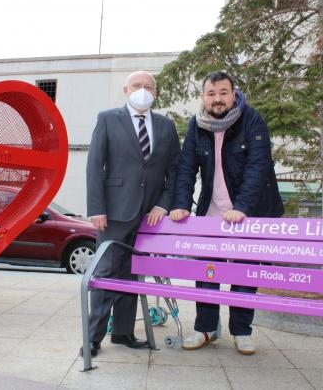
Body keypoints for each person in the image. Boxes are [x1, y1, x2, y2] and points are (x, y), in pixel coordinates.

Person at [169, 71, 284, 355]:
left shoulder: (251, 119)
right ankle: (206, 328)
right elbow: (186, 167)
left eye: (223, 92)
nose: (217, 99)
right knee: (207, 271)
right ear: (203, 97)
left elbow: (258, 166)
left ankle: (242, 331)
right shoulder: (197, 125)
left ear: (233, 94)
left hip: (250, 211)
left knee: (245, 272)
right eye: (211, 93)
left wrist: (241, 207)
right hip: (212, 211)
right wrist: (181, 203)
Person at [83, 71, 181, 357]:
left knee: (131, 275)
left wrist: (163, 204)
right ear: (126, 90)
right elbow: (94, 166)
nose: (143, 90)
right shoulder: (107, 119)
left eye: (148, 87)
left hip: (149, 215)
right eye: (137, 86)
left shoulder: (166, 126)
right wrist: (96, 208)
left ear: (156, 93)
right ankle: (93, 338)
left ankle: (123, 333)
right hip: (112, 213)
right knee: (105, 274)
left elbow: (174, 170)